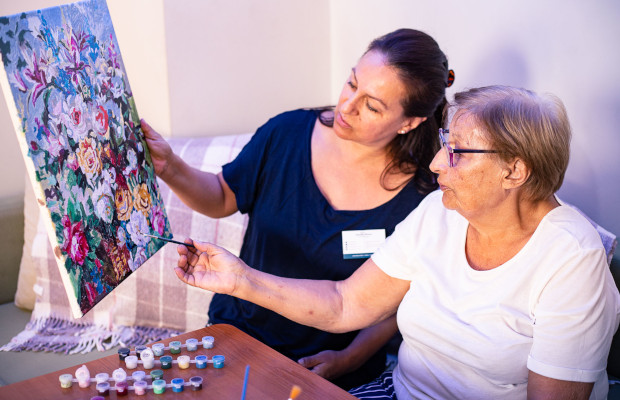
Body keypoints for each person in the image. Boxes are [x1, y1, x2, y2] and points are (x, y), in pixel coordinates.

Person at [173, 85, 620, 399]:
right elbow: (345, 303)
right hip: (394, 392)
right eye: (445, 142)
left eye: (458, 152)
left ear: (514, 172)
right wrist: (238, 279)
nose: (436, 163)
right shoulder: (440, 214)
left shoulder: (572, 259)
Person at [142, 28, 453, 389]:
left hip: (331, 368)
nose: (347, 107)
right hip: (239, 339)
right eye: (352, 84)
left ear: (410, 122)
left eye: (371, 105)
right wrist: (170, 167)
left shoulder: (424, 197)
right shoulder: (286, 133)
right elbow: (222, 197)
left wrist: (346, 359)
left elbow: (392, 305)